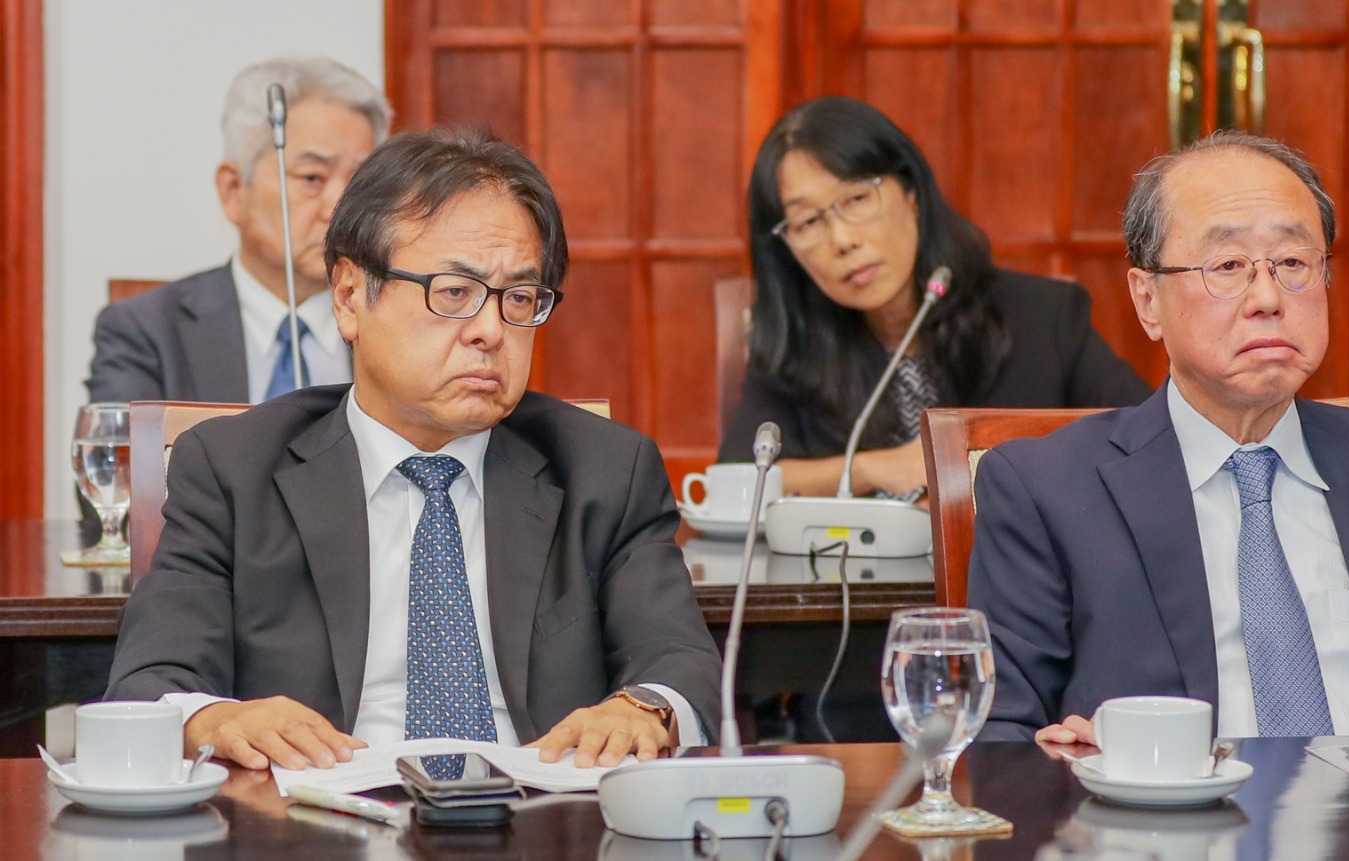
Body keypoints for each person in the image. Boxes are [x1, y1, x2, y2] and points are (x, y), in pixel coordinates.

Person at [103, 128, 723, 771]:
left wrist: (644, 708)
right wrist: (216, 718)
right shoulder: (232, 469)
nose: (491, 331)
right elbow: (152, 681)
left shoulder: (605, 470)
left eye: (518, 298)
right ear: (350, 297)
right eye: (454, 292)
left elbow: (679, 662)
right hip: (317, 809)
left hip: (538, 808)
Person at [968, 132, 1349, 743]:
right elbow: (999, 731)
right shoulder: (1046, 489)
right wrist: (1075, 763)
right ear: (1147, 301)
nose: (1268, 298)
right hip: (1172, 801)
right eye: (1228, 266)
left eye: (1294, 264)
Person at [718, 96, 1150, 498]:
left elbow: (1148, 443)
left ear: (912, 193)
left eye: (857, 198)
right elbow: (738, 480)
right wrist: (868, 470)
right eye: (809, 222)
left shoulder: (1043, 316)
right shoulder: (794, 344)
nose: (843, 240)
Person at [86, 56, 391, 404]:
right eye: (312, 178)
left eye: (359, 182)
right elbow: (122, 440)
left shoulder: (396, 321)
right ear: (233, 190)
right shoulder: (147, 331)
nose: (339, 209)